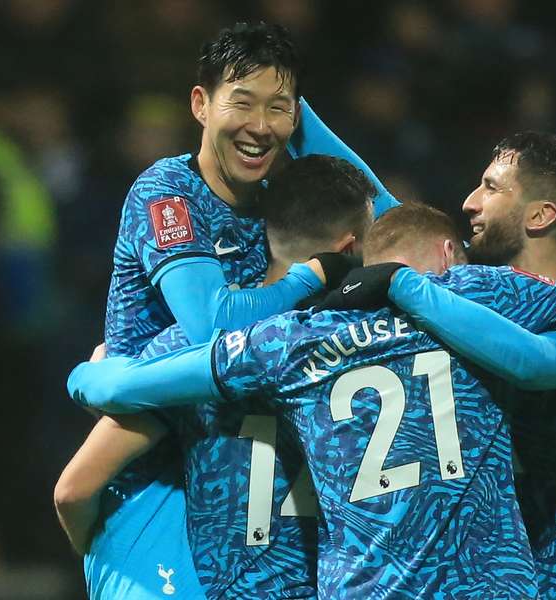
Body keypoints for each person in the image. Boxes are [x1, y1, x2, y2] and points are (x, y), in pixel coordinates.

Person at [66, 202, 556, 598]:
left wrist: (92, 375)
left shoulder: (285, 338)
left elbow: (118, 393)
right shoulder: (473, 295)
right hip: (484, 583)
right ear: (448, 254)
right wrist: (411, 287)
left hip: (356, 584)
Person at [337, 132, 556, 597]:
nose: (469, 202)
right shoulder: (467, 294)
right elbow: (383, 209)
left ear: (540, 215)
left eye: (491, 188)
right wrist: (293, 107)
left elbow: (530, 362)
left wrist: (404, 283)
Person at [55, 155, 375, 599]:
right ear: (350, 249)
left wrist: (107, 555)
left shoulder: (193, 350)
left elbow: (73, 490)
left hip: (219, 584)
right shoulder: (368, 345)